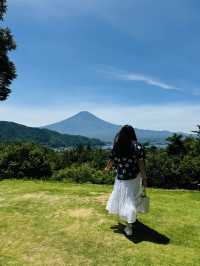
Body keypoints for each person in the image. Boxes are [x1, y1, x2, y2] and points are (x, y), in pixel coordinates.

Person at [105, 125, 148, 236]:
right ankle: (129, 226)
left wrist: (107, 169)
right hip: (134, 178)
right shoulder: (137, 147)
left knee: (122, 198)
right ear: (133, 133)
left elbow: (111, 161)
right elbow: (141, 164)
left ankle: (128, 222)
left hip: (120, 178)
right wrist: (145, 178)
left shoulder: (118, 146)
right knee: (130, 200)